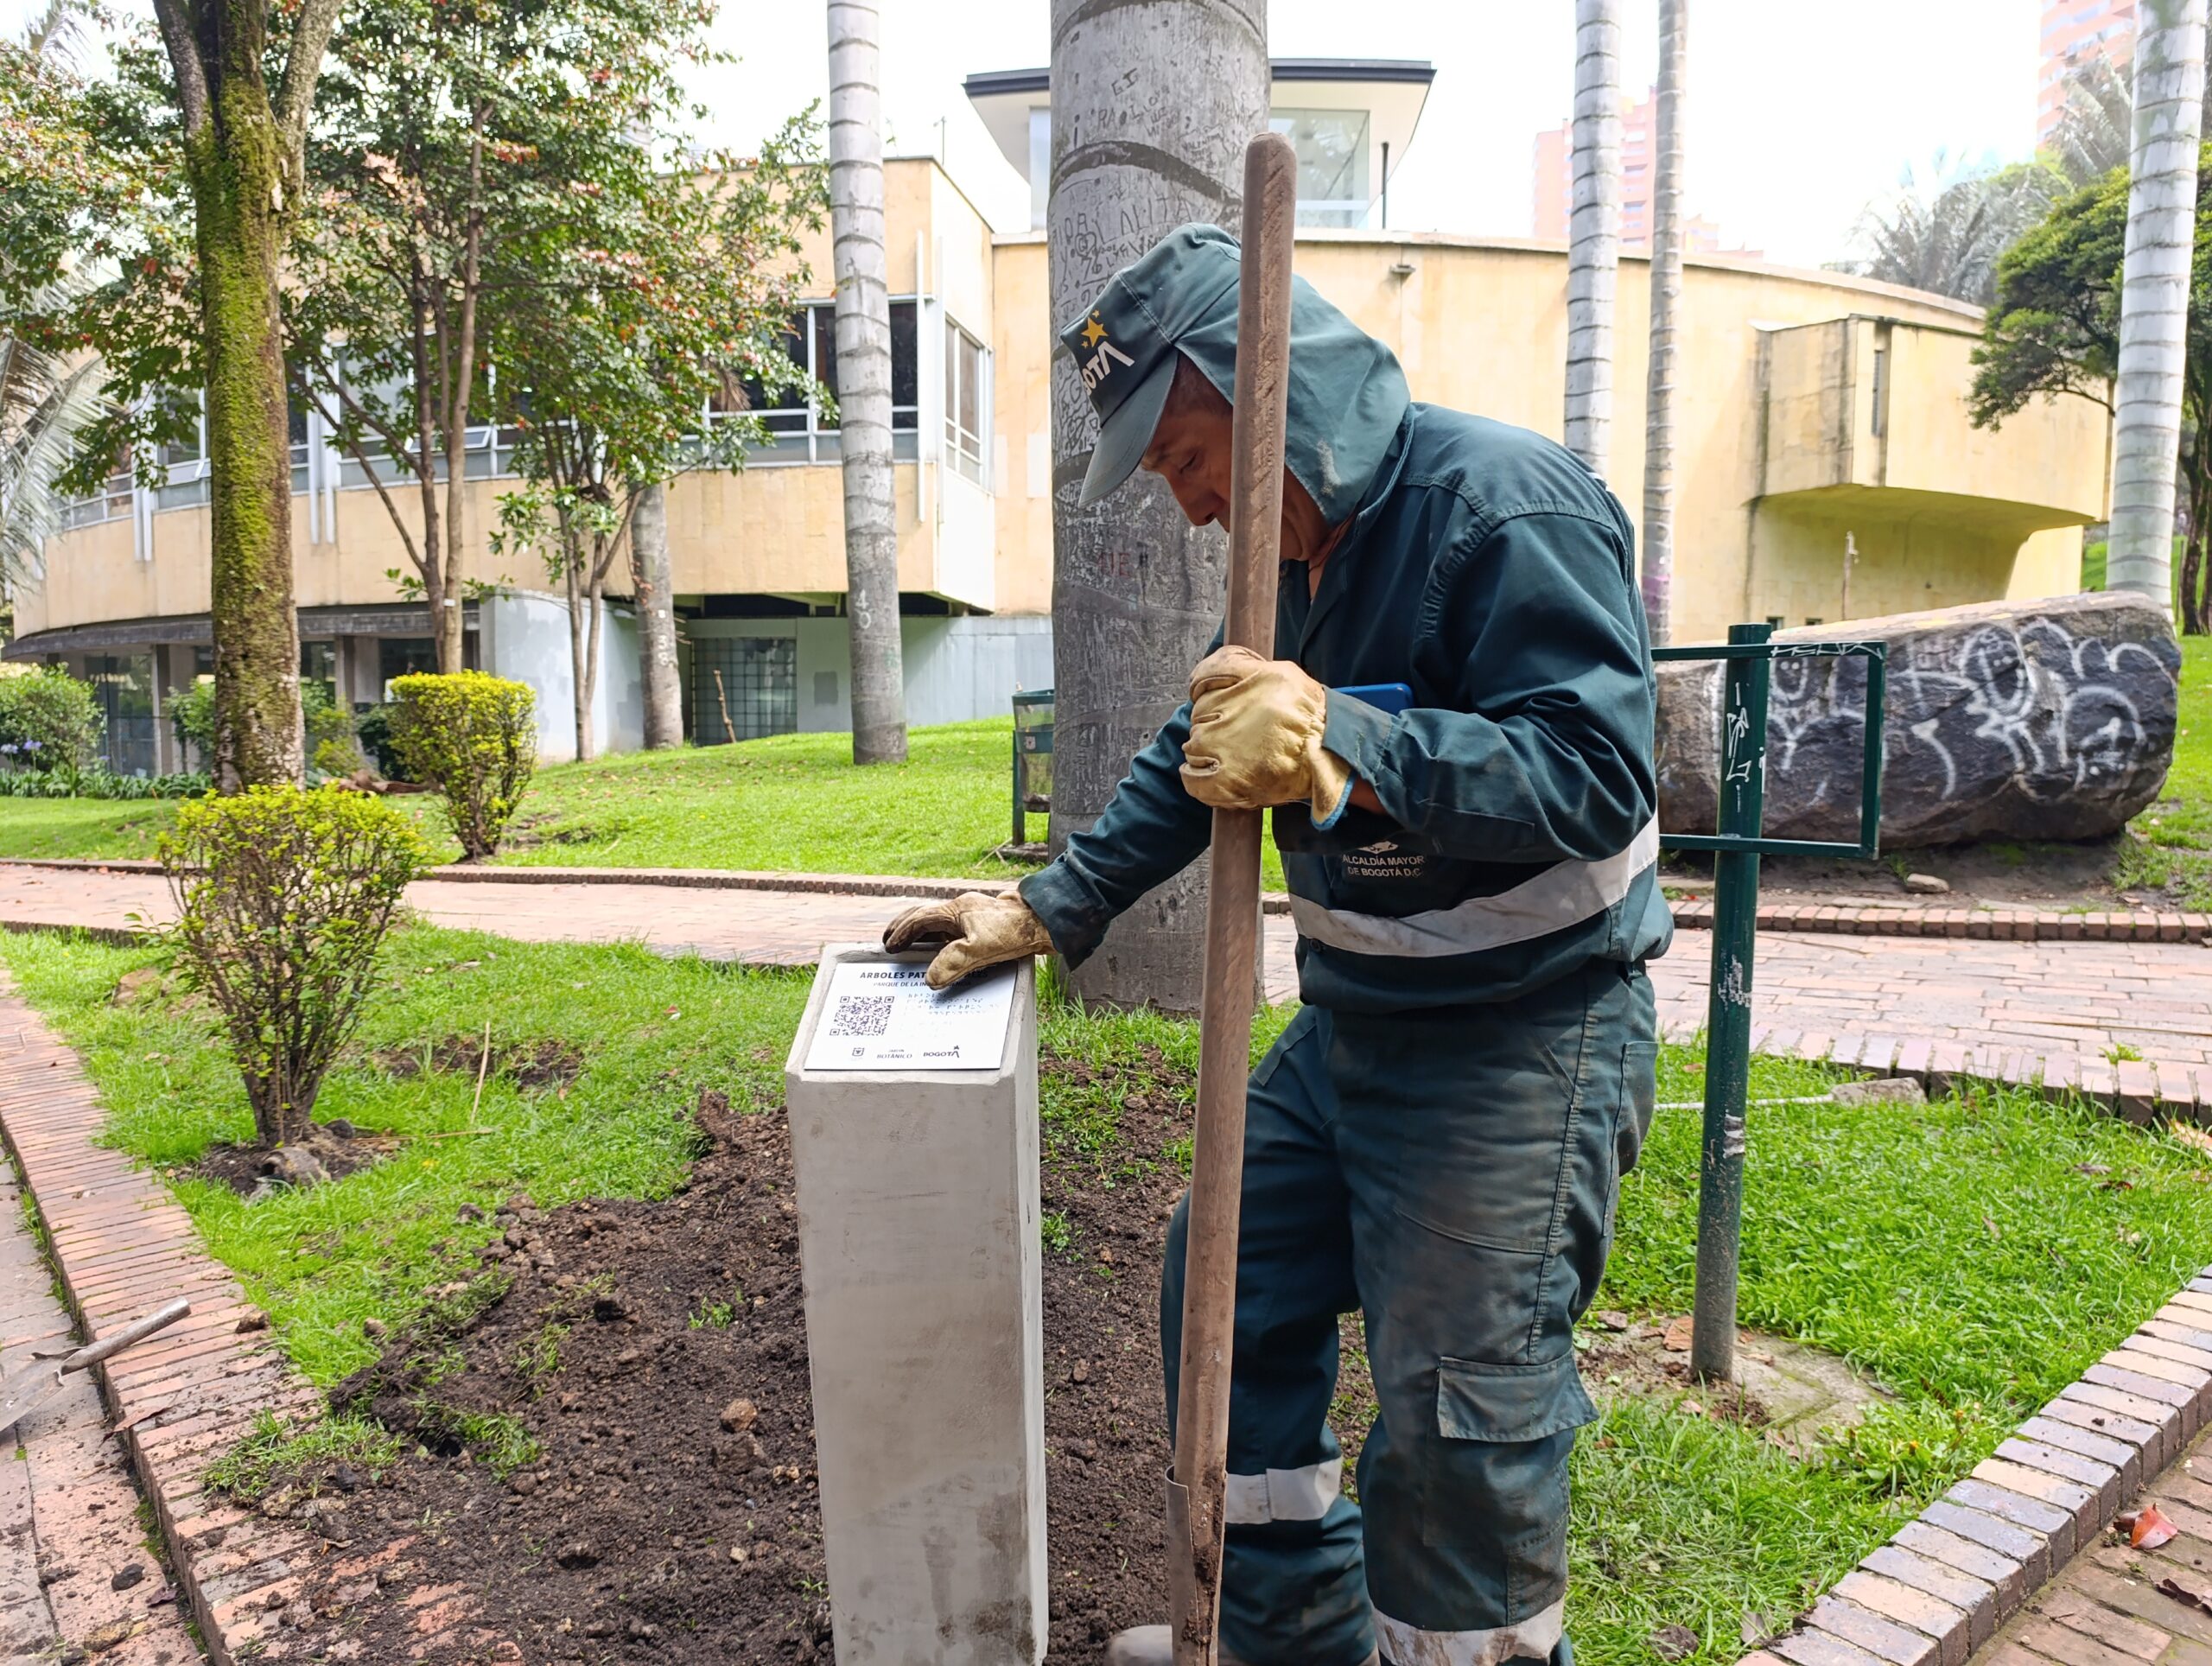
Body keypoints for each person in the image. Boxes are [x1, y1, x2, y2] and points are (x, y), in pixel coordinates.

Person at [883, 223, 1669, 1666]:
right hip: (1356, 1031)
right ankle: (1287, 1636)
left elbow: (1597, 774)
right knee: (1227, 1293)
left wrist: (1343, 739)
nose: (1191, 509)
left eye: (1186, 461)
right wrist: (1056, 906)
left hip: (1523, 1038)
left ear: (1259, 388)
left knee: (1457, 1411)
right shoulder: (1295, 558)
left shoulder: (1505, 509)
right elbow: (1203, 751)